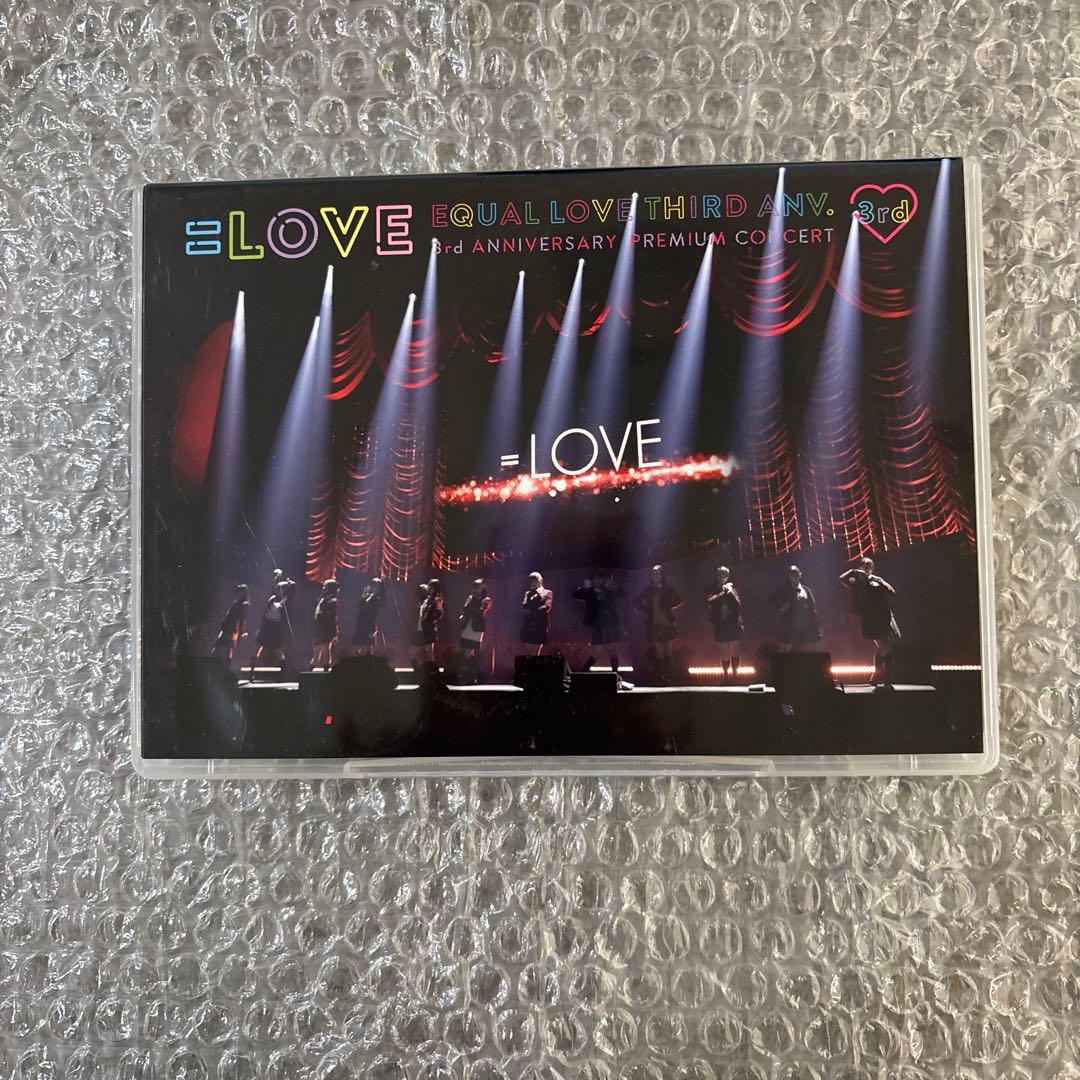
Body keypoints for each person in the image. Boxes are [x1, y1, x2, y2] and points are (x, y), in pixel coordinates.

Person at [839, 556, 901, 683]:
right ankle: (886, 677)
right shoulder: (857, 581)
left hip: (884, 616)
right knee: (884, 647)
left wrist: (881, 581)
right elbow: (842, 579)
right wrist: (854, 571)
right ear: (860, 566)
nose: (868, 567)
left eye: (870, 565)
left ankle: (877, 675)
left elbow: (891, 592)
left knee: (884, 647)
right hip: (871, 618)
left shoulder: (877, 579)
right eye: (865, 564)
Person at [572, 571, 626, 678]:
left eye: (599, 578)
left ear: (602, 580)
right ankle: (582, 673)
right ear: (592, 581)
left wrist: (613, 585)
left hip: (610, 624)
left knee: (612, 649)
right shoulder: (589, 592)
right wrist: (584, 587)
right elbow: (575, 594)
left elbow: (622, 593)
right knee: (597, 652)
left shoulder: (608, 590)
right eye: (594, 579)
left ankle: (615, 675)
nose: (597, 581)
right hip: (599, 626)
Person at [636, 565, 683, 683]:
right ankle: (661, 676)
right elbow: (637, 601)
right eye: (653, 573)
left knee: (668, 651)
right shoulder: (648, 589)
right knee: (659, 651)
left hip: (667, 622)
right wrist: (647, 610)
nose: (655, 575)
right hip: (655, 623)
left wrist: (668, 608)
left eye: (657, 573)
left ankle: (668, 676)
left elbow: (679, 600)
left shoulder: (667, 588)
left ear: (662, 575)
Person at [770, 565, 820, 652]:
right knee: (785, 646)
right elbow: (771, 599)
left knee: (812, 647)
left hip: (806, 624)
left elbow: (813, 608)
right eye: (791, 575)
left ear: (800, 575)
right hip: (791, 624)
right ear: (788, 577)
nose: (794, 577)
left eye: (796, 574)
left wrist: (818, 625)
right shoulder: (784, 589)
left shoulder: (806, 589)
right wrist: (782, 607)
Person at [707, 566, 743, 679]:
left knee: (735, 651)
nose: (722, 577)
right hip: (720, 625)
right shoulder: (712, 589)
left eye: (725, 575)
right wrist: (722, 593)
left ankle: (735, 674)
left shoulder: (732, 589)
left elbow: (737, 604)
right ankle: (726, 675)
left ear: (728, 577)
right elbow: (710, 602)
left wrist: (730, 592)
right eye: (720, 575)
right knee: (725, 652)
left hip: (733, 624)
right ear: (717, 576)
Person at [254, 569, 296, 667]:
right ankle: (254, 664)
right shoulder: (273, 598)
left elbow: (293, 587)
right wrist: (277, 577)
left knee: (277, 648)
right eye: (277, 589)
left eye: (279, 589)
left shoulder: (286, 600)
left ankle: (283, 667)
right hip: (267, 625)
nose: (277, 590)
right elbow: (273, 588)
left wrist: (288, 581)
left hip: (277, 626)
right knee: (260, 645)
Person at [459, 579, 493, 682]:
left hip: (476, 627)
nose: (476, 589)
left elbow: (480, 612)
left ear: (483, 588)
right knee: (467, 651)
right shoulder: (470, 597)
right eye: (475, 587)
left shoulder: (486, 599)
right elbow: (465, 609)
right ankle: (471, 676)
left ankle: (472, 676)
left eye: (478, 587)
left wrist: (472, 609)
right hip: (467, 626)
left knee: (469, 651)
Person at [211, 584, 249, 665]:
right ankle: (220, 664)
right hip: (228, 627)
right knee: (222, 647)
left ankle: (224, 665)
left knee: (226, 648)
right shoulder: (237, 603)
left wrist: (242, 631)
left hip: (232, 629)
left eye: (240, 592)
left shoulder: (242, 605)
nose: (238, 594)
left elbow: (242, 619)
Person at [520, 571, 553, 655]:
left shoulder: (547, 592)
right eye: (531, 581)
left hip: (540, 624)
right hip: (529, 624)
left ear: (540, 580)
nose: (533, 583)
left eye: (535, 580)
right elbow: (524, 605)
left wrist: (539, 595)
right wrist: (533, 596)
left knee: (536, 651)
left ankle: (535, 662)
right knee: (529, 651)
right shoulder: (528, 593)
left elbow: (547, 606)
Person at [412, 578, 444, 664]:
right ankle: (422, 668)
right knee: (419, 651)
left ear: (434, 588)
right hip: (420, 627)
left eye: (430, 586)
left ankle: (430, 669)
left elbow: (439, 612)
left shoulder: (436, 599)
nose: (428, 588)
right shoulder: (427, 599)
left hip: (428, 629)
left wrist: (428, 620)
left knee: (429, 652)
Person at [311, 578, 341, 670]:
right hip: (320, 627)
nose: (323, 588)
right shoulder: (323, 598)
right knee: (318, 648)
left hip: (326, 628)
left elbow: (331, 617)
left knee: (325, 648)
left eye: (325, 587)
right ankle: (315, 665)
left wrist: (333, 631)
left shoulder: (332, 601)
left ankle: (324, 668)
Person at [353, 577, 385, 656]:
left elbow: (373, 612)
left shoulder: (378, 599)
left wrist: (373, 629)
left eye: (376, 586)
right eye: (373, 585)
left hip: (369, 625)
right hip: (361, 624)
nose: (374, 587)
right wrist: (364, 596)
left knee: (366, 647)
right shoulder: (367, 596)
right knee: (357, 647)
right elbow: (360, 606)